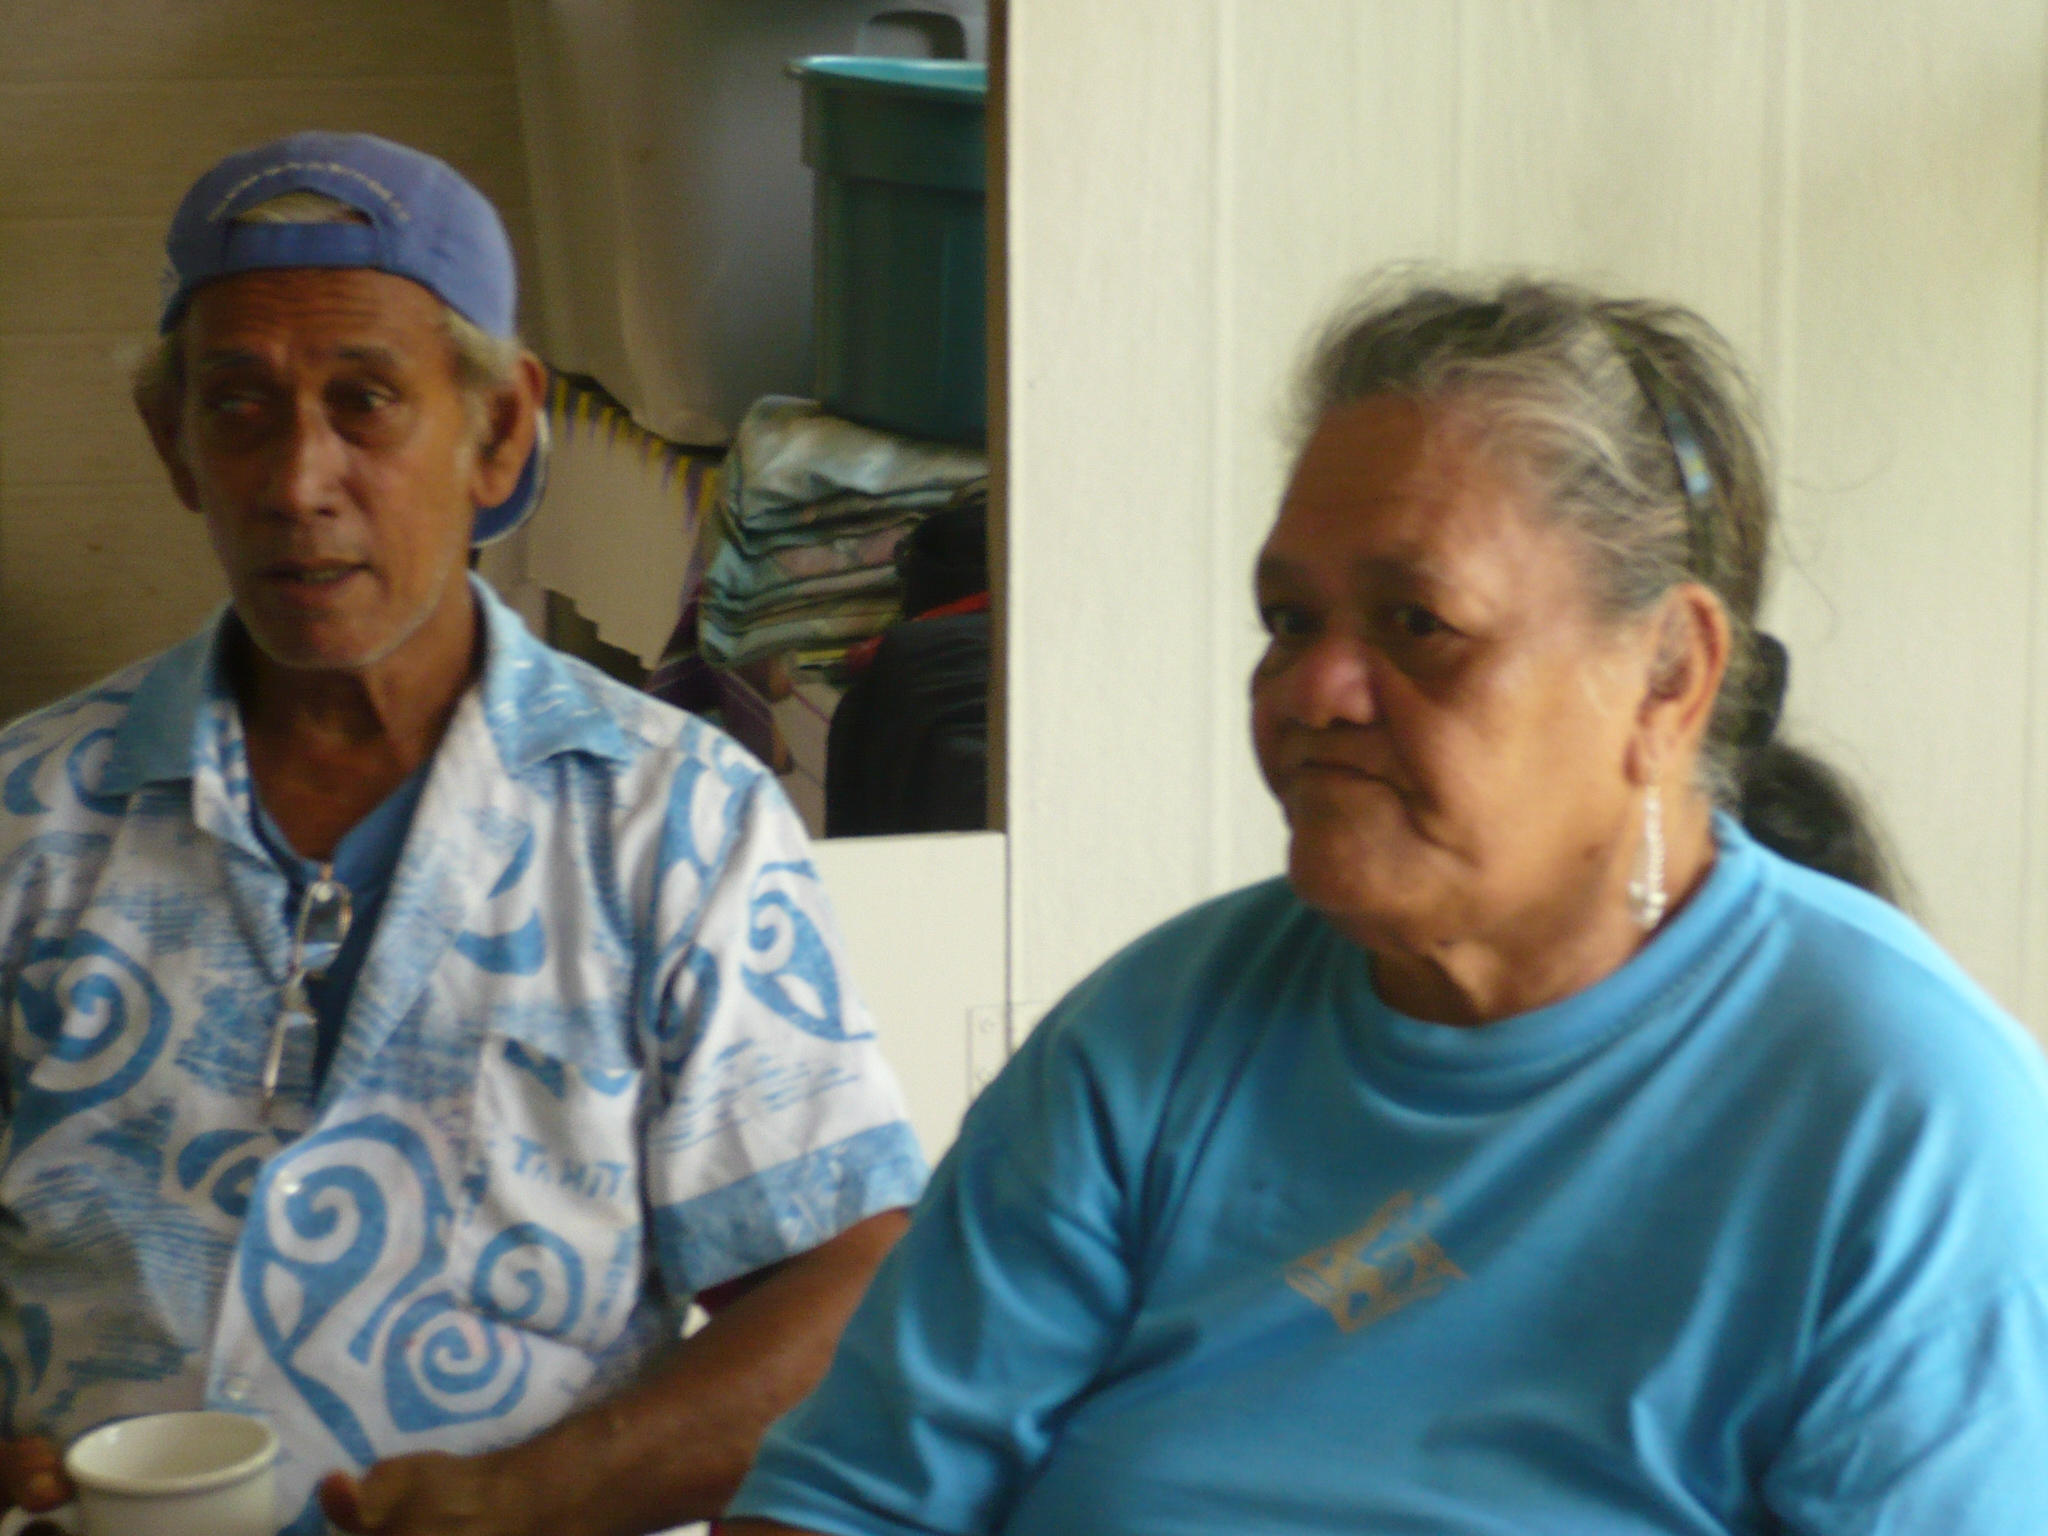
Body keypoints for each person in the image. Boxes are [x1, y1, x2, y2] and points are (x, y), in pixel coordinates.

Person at [723, 276, 2048, 1534]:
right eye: (1289, 621)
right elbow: (851, 1498)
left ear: (1668, 676)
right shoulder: (1159, 1037)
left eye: (1417, 623)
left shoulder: (1907, 1122)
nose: (1313, 692)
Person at [0, 131, 927, 1536]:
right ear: (173, 446)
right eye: (238, 408)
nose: (298, 479)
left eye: (365, 403)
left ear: (499, 432)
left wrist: (534, 1494)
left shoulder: (674, 820)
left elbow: (846, 1280)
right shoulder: (29, 816)